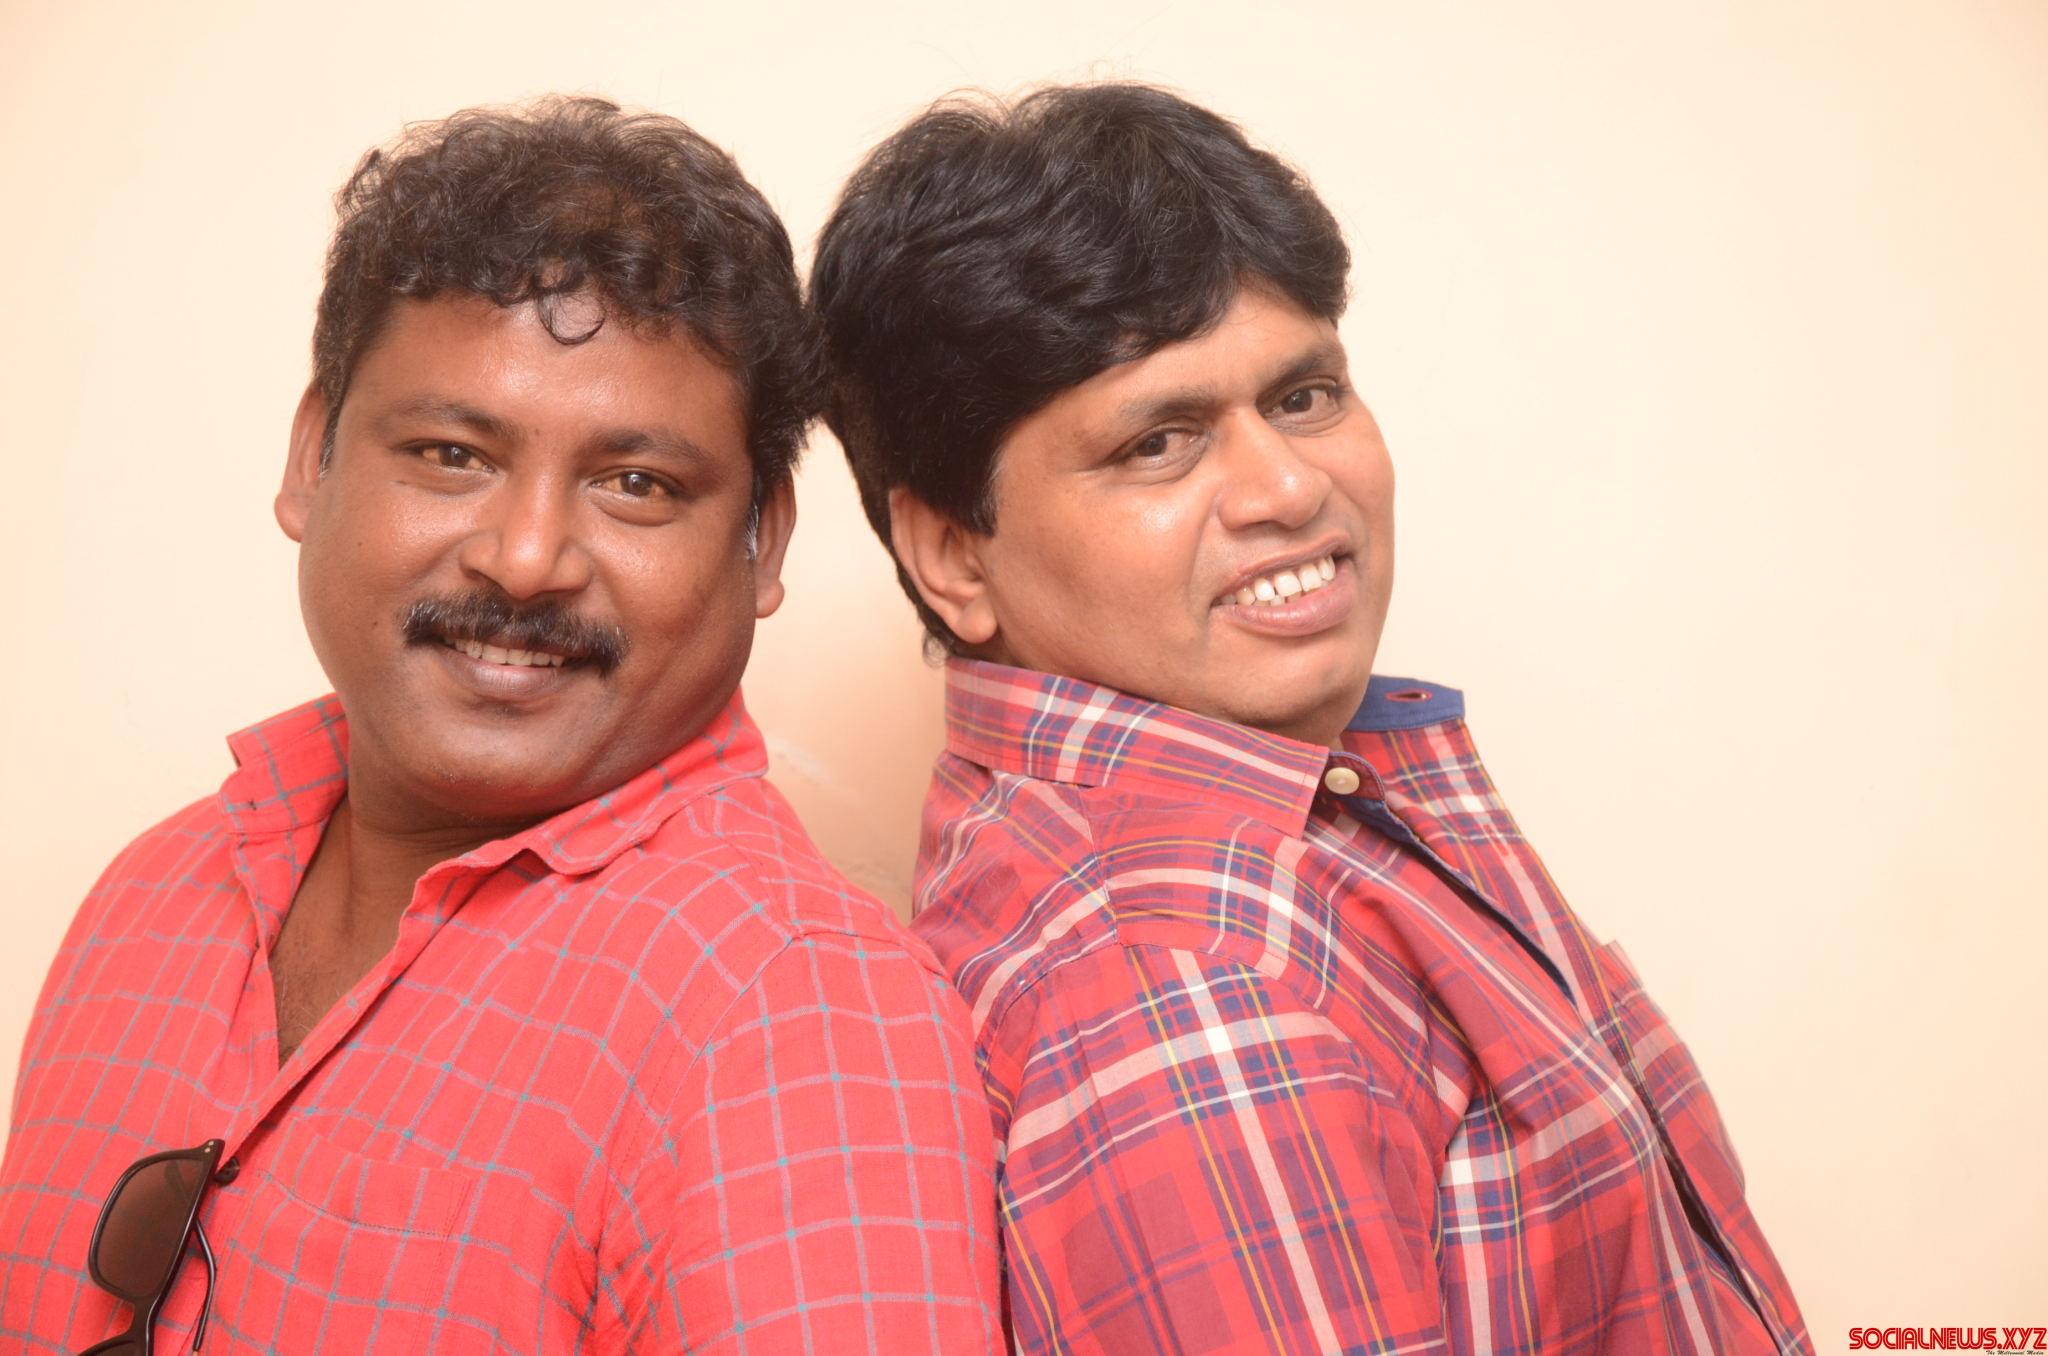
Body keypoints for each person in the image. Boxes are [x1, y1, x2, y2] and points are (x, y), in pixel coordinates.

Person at [811, 82, 1812, 1355]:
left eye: (1302, 396)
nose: (1287, 487)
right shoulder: (1182, 984)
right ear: (953, 552)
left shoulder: (1294, 807)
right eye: (1157, 442)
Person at [0, 97, 999, 1354]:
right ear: (312, 457)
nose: (526, 559)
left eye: (635, 484)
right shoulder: (153, 893)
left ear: (761, 544)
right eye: (450, 453)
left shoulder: (792, 1018)